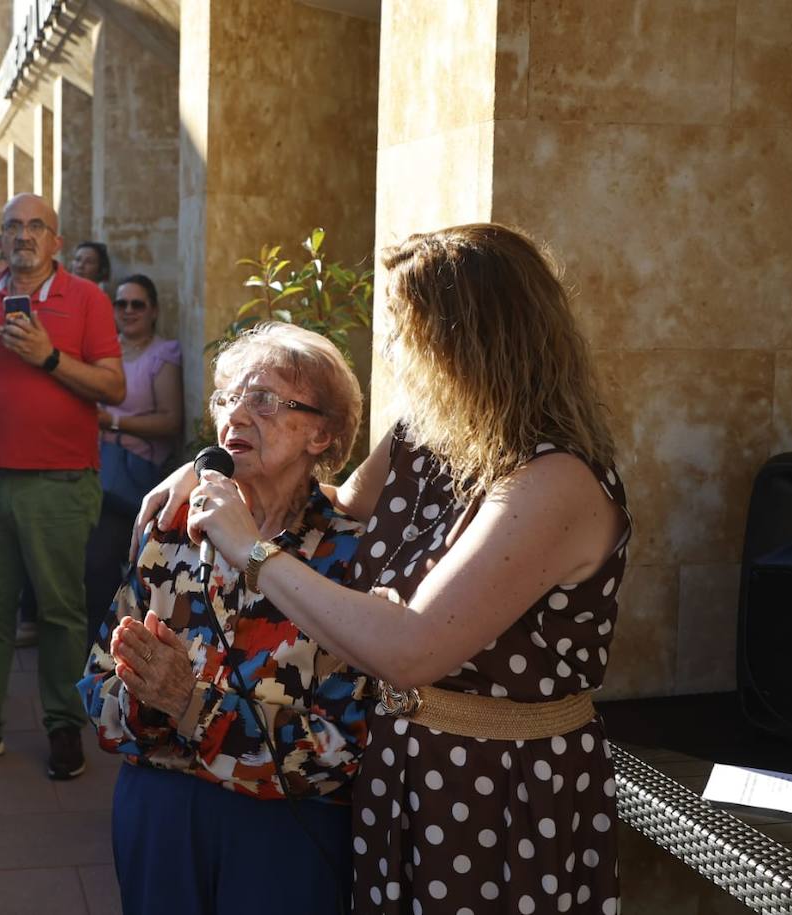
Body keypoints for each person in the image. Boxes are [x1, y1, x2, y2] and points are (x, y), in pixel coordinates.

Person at [159, 224, 631, 914]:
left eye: (406, 329)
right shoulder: (426, 435)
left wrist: (252, 552)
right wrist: (212, 468)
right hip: (404, 768)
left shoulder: (555, 480)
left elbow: (412, 647)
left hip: (500, 790)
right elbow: (337, 500)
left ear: (467, 341)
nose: (392, 348)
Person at [81, 322, 367, 914]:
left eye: (262, 399)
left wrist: (193, 706)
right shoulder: (171, 532)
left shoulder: (351, 557)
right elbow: (97, 688)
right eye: (227, 397)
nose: (236, 414)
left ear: (322, 433)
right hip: (158, 810)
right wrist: (142, 697)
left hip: (282, 829)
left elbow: (344, 745)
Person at [0, 192, 125, 779]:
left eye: (36, 226)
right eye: (12, 225)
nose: (23, 235)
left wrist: (48, 357)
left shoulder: (86, 299)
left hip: (58, 484)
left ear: (56, 241)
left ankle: (64, 724)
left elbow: (113, 388)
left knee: (62, 610)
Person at [86, 274, 181, 647]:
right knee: (92, 569)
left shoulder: (163, 354)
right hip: (94, 471)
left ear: (154, 310)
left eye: (137, 304)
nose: (128, 311)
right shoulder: (101, 354)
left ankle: (113, 646)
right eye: (121, 303)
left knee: (109, 565)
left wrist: (113, 421)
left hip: (133, 478)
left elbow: (170, 421)